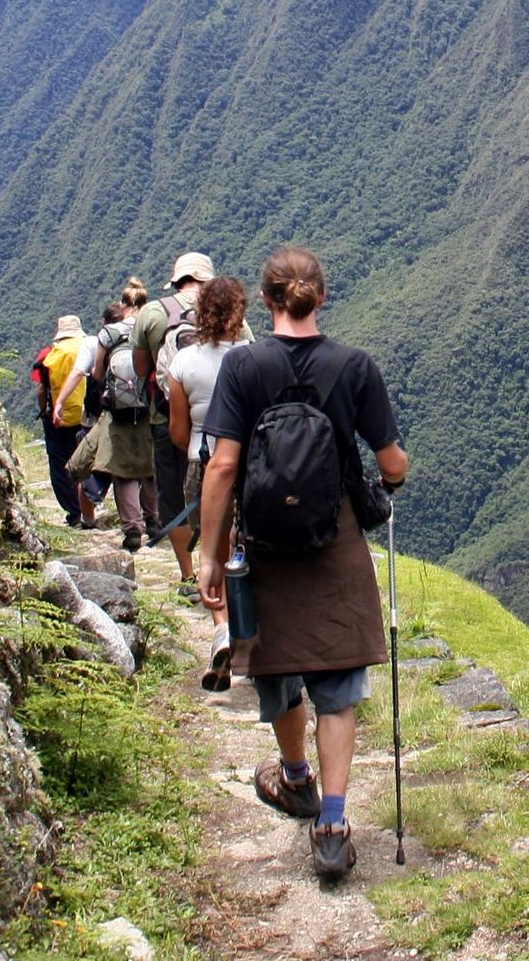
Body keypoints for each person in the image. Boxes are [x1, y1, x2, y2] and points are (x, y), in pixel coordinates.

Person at [197, 247, 408, 880]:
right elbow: (392, 462)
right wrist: (387, 484)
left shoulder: (242, 366)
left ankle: (294, 778)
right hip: (333, 538)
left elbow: (224, 465)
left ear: (265, 301)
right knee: (337, 685)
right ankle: (335, 823)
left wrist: (210, 555)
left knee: (279, 667)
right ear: (321, 299)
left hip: (262, 541)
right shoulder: (354, 368)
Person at [167, 276, 250, 680]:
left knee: (213, 551)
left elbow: (178, 431)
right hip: (252, 463)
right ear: (240, 313)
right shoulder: (255, 357)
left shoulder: (183, 363)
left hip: (202, 462)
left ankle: (221, 628)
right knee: (246, 546)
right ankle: (250, 631)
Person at [132, 253, 225, 573]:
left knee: (173, 499)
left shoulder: (152, 313)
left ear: (177, 280)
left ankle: (188, 574)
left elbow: (141, 369)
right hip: (221, 427)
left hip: (167, 420)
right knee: (223, 497)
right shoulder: (229, 313)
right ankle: (221, 571)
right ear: (208, 280)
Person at [91, 279, 157, 551]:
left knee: (123, 471)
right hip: (150, 408)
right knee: (151, 467)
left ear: (123, 305)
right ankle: (154, 519)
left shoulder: (109, 334)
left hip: (118, 410)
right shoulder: (152, 329)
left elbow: (96, 373)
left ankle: (132, 529)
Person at [34, 315, 95, 528]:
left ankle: (74, 512)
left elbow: (41, 388)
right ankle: (90, 508)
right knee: (87, 462)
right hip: (88, 415)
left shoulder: (48, 354)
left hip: (58, 418)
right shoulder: (91, 346)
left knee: (60, 465)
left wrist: (45, 411)